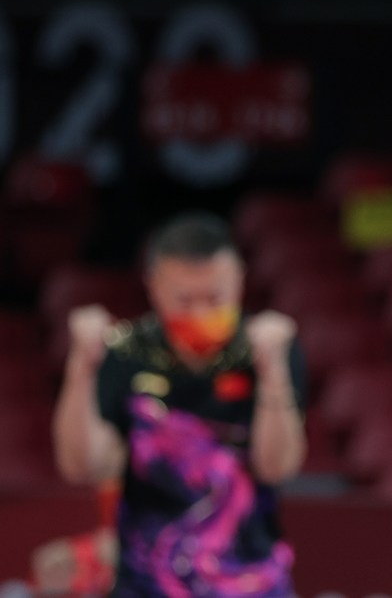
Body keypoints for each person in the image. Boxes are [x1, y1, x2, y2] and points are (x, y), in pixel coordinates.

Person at [52, 211, 308, 597]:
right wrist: (80, 369)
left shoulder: (265, 348)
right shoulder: (128, 353)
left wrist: (272, 370)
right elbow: (82, 466)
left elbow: (277, 467)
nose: (200, 313)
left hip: (253, 582)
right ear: (153, 286)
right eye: (184, 301)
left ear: (239, 280)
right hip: (145, 583)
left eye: (215, 298)